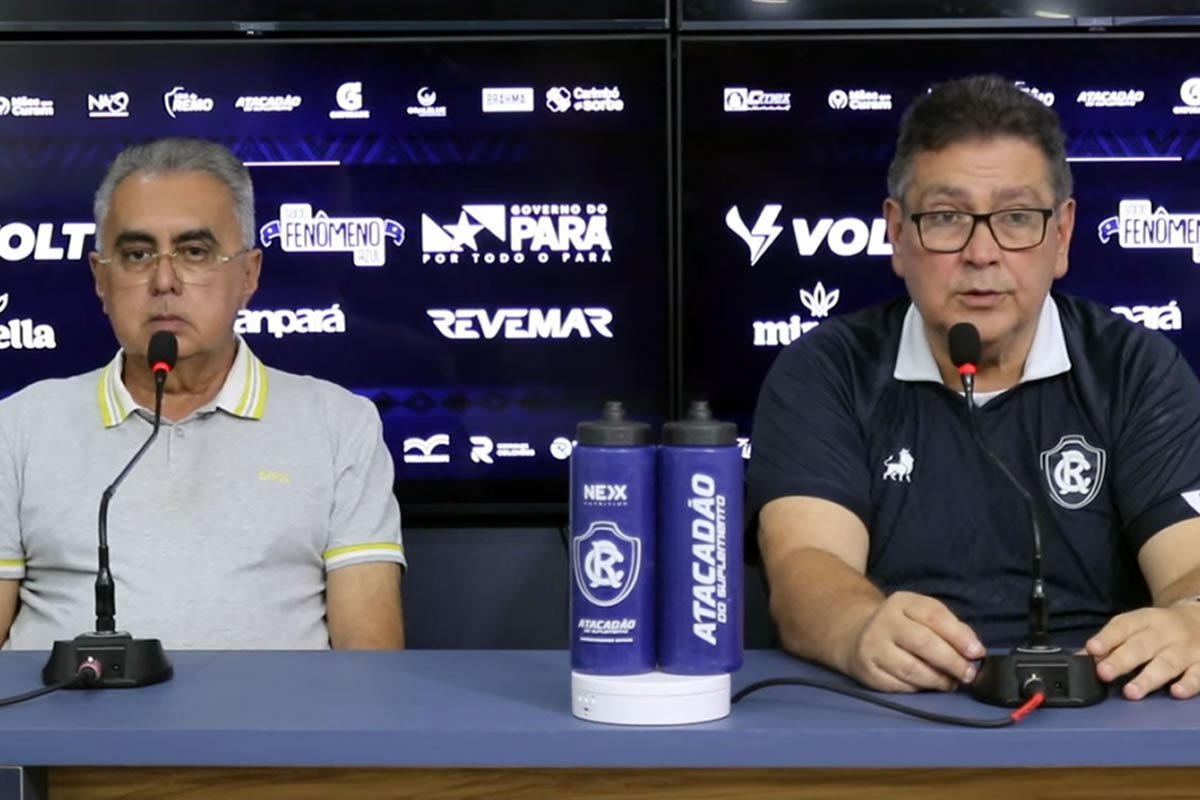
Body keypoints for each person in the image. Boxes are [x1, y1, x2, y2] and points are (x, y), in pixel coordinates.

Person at [748, 75, 1200, 701]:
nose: (982, 253)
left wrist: (1191, 619)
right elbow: (806, 569)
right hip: (893, 709)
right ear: (897, 235)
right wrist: (855, 628)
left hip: (1094, 707)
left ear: (1062, 235)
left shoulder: (1135, 369)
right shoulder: (826, 370)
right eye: (946, 218)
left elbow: (1190, 563)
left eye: (1016, 218)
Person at [0, 137, 406, 650]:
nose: (164, 281)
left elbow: (370, 663)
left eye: (194, 252)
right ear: (101, 278)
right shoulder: (18, 427)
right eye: (137, 254)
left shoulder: (340, 426)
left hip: (275, 707)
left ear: (248, 274)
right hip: (55, 705)